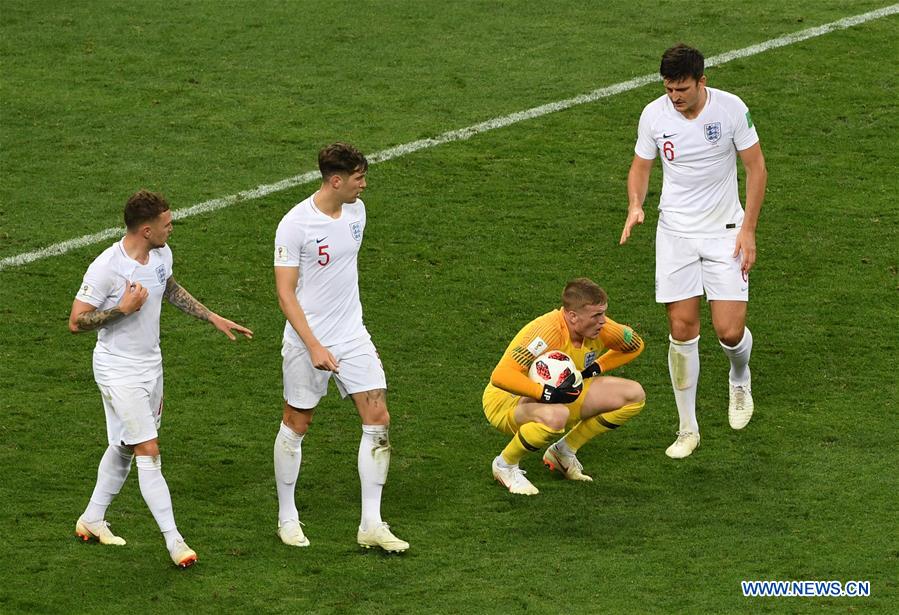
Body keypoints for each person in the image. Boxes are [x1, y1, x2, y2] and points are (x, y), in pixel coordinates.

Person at [69, 190, 253, 568]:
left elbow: (166, 285)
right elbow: (76, 322)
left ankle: (91, 518)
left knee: (124, 445)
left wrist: (211, 316)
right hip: (118, 369)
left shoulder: (160, 254)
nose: (173, 228)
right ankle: (175, 542)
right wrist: (121, 309)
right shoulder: (106, 267)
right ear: (147, 229)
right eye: (167, 224)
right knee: (148, 452)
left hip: (151, 367)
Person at [619, 43, 768, 459]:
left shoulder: (731, 109)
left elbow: (756, 168)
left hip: (725, 232)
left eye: (682, 88)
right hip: (675, 234)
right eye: (669, 89)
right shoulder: (654, 115)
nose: (675, 96)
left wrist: (749, 230)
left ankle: (739, 377)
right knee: (682, 329)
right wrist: (635, 203)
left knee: (729, 332)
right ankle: (688, 428)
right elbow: (641, 167)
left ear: (702, 81)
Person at [272, 142, 408, 553]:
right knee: (297, 422)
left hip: (352, 336)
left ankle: (371, 523)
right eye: (358, 178)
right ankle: (287, 516)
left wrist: (360, 336)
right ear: (336, 180)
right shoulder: (295, 224)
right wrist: (313, 344)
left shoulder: (356, 213)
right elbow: (285, 293)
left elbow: (343, 279)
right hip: (305, 341)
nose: (364, 185)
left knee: (378, 417)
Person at [483, 278, 646, 495]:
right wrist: (546, 393)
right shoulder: (545, 333)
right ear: (572, 315)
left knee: (633, 395)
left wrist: (595, 368)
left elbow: (635, 345)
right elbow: (501, 375)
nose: (603, 321)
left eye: (604, 313)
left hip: (561, 397)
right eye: (596, 315)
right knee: (556, 415)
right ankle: (505, 465)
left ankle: (563, 452)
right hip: (507, 402)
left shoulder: (603, 329)